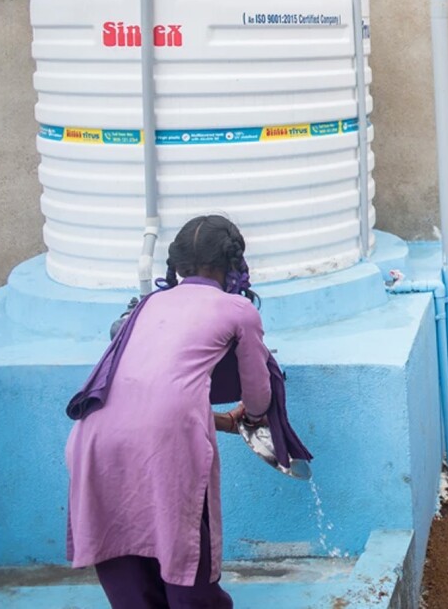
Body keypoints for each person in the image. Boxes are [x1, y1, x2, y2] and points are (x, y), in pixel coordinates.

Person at [65, 215, 272, 608]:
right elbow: (258, 399)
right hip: (168, 446)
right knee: (185, 556)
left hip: (93, 437)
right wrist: (255, 418)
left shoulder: (147, 305)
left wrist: (223, 423)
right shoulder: (237, 310)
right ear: (232, 264)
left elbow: (143, 401)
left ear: (177, 264)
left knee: (124, 557)